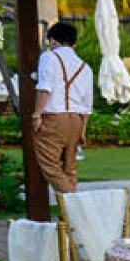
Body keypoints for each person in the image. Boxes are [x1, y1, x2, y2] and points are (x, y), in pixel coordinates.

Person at [32, 19, 93, 195]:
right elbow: (87, 104)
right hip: (76, 120)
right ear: (74, 43)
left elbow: (44, 87)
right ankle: (68, 218)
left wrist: (37, 115)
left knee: (50, 167)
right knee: (70, 170)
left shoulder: (49, 57)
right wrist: (83, 130)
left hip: (53, 119)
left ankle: (76, 207)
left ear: (52, 41)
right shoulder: (85, 67)